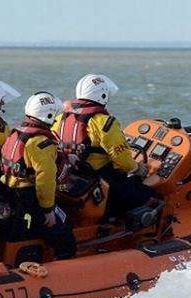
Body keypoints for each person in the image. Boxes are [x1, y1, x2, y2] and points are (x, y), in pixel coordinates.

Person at [52, 74, 160, 222]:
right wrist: (138, 169)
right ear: (102, 95)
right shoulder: (105, 123)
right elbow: (122, 159)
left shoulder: (60, 118)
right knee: (153, 197)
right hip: (101, 179)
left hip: (72, 177)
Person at [0, 92, 76, 260]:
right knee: (65, 234)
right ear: (48, 114)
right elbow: (45, 180)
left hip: (9, 192)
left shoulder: (16, 133)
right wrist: (48, 209)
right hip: (29, 198)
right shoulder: (41, 142)